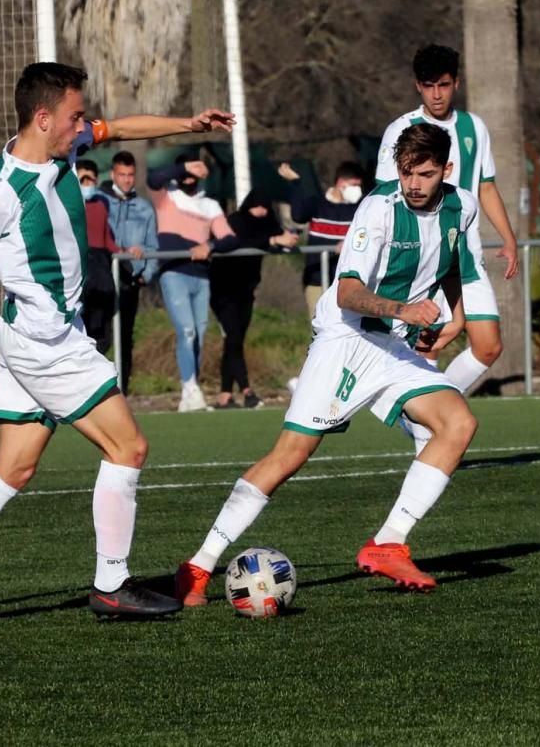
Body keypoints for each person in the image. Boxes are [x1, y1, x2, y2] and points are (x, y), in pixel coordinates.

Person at [0, 62, 235, 619]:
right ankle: (111, 583)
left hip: (33, 336)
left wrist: (189, 123)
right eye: (76, 117)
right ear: (42, 118)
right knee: (128, 448)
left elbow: (122, 129)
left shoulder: (65, 146)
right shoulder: (1, 196)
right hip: (46, 345)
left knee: (14, 468)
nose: (86, 127)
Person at [174, 124, 479, 606]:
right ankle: (198, 566)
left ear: (447, 170)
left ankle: (388, 543)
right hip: (346, 338)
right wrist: (405, 310)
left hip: (392, 347)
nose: (414, 184)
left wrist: (455, 315)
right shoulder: (378, 209)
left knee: (458, 423)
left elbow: (454, 260)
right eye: (406, 174)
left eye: (425, 174)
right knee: (289, 456)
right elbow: (348, 292)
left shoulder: (463, 205)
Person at [375, 45, 519, 452]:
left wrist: (507, 237)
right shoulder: (401, 130)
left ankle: (419, 411)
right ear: (417, 86)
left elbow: (485, 184)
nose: (436, 94)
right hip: (424, 257)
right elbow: (387, 194)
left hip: (467, 255)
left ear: (456, 83)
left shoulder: (474, 128)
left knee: (488, 345)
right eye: (428, 86)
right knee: (431, 343)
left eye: (443, 85)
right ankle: (429, 432)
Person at [146, 156, 238, 412]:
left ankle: (191, 390)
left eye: (194, 172)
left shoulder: (209, 205)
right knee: (186, 331)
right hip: (174, 273)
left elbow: (230, 239)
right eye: (185, 171)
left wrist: (209, 245)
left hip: (201, 276)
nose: (189, 177)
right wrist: (184, 166)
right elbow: (153, 178)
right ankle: (190, 388)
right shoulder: (167, 197)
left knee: (199, 333)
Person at [209, 189, 298, 409]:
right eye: (256, 207)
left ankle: (226, 394)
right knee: (234, 337)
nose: (260, 212)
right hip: (223, 288)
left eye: (264, 208)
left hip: (246, 290)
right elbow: (240, 241)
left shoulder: (267, 222)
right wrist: (273, 239)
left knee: (234, 341)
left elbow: (277, 236)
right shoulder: (235, 221)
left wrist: (287, 239)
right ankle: (247, 390)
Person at [97, 151, 159, 392]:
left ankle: (122, 389)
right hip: (103, 276)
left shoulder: (144, 208)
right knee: (100, 335)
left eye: (130, 175)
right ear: (113, 174)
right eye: (121, 175)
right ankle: (97, 389)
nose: (126, 180)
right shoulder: (99, 202)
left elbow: (152, 245)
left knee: (125, 336)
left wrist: (146, 273)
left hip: (129, 279)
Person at [280, 160, 367, 317]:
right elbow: (298, 215)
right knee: (318, 328)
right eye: (354, 185)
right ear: (341, 183)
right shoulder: (318, 204)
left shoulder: (361, 208)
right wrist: (295, 183)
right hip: (316, 280)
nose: (358, 190)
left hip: (348, 282)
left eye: (359, 186)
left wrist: (348, 244)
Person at [78, 159, 120, 351]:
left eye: (91, 180)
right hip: (80, 267)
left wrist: (126, 254)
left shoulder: (101, 204)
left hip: (100, 266)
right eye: (83, 180)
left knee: (101, 324)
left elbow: (106, 238)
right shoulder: (69, 206)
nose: (88, 185)